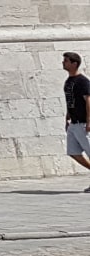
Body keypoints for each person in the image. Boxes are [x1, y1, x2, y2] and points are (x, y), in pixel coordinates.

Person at [65, 52, 90, 188]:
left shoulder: (83, 81)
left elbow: (88, 100)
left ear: (74, 64)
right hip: (73, 124)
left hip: (83, 123)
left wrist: (89, 121)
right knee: (73, 152)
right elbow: (70, 100)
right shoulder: (69, 81)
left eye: (66, 61)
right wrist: (67, 116)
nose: (63, 63)